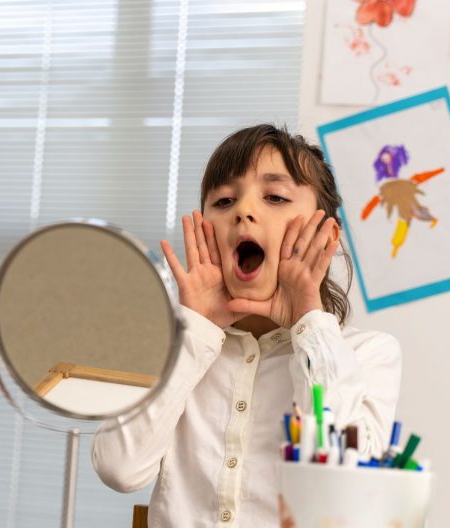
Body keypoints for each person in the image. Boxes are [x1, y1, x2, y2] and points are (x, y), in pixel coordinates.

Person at [91, 124, 402, 527]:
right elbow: (120, 469)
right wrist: (195, 330)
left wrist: (309, 319)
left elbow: (342, 489)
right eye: (223, 200)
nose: (243, 211)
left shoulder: (369, 354)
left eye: (275, 196)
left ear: (325, 237)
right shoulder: (175, 345)